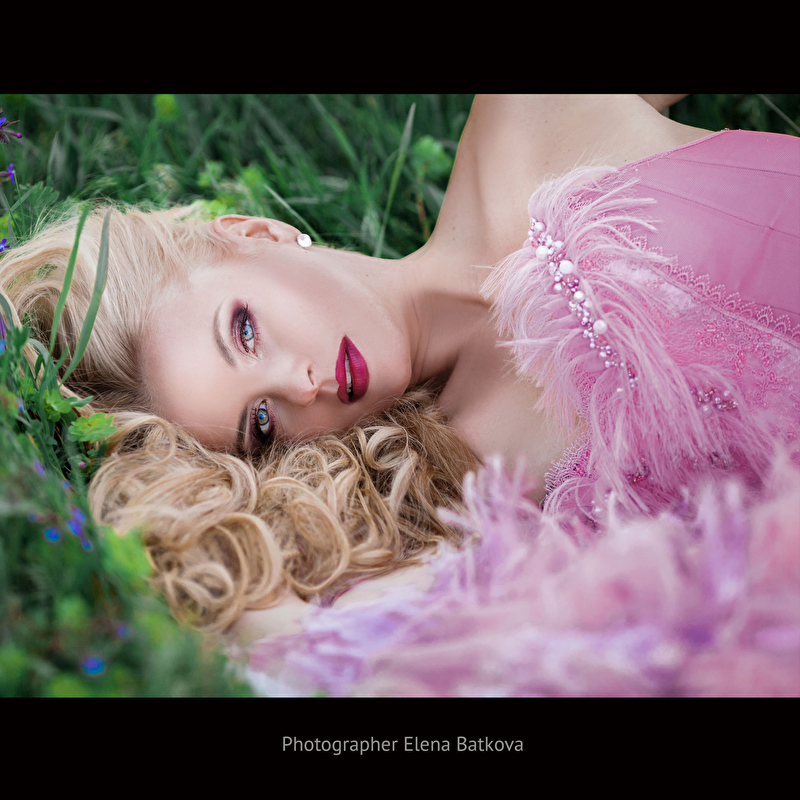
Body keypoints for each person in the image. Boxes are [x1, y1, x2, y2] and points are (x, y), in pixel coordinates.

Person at [2, 95, 798, 696]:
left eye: (244, 331)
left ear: (253, 233)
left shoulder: (526, 114)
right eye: (262, 424)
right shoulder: (465, 482)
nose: (303, 384)